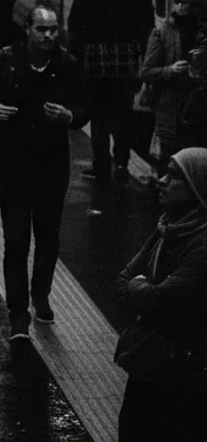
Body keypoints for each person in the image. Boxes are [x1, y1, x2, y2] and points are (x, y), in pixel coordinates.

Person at [0, 6, 88, 339]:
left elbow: (84, 106)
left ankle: (40, 293)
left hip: (51, 168)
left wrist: (70, 117)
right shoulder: (3, 61)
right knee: (15, 242)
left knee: (48, 238)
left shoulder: (67, 64)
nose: (49, 35)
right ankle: (18, 314)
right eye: (42, 29)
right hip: (13, 167)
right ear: (27, 28)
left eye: (53, 29)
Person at [115, 147, 207, 441]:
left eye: (175, 176)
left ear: (198, 188)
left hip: (183, 377)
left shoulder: (202, 247)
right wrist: (142, 289)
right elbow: (122, 281)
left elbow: (155, 300)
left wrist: (140, 288)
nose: (162, 181)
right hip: (148, 365)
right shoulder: (167, 229)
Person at [67, 0, 155, 183]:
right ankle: (122, 162)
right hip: (126, 64)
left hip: (96, 65)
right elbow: (147, 25)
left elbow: (75, 29)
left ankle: (101, 165)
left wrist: (74, 62)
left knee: (99, 116)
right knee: (123, 114)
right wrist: (139, 55)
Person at [142, 0, 202, 163]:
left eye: (184, 3)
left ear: (194, 4)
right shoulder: (163, 31)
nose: (179, 7)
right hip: (169, 107)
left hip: (195, 109)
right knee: (169, 160)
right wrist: (171, 70)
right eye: (176, 2)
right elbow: (147, 71)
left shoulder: (201, 31)